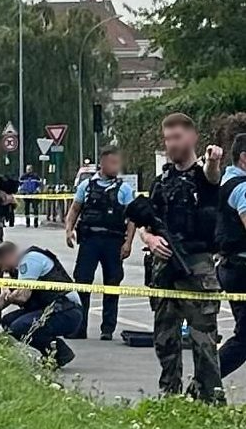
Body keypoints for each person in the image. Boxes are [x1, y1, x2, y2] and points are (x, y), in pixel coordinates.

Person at [141, 112, 224, 403]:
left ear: (192, 137)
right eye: (167, 139)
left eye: (177, 138)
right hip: (164, 269)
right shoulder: (161, 182)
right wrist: (151, 240)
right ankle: (170, 398)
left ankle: (210, 400)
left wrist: (214, 159)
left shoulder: (204, 176)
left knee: (204, 342)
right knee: (165, 339)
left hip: (197, 266)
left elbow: (213, 176)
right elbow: (145, 225)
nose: (171, 144)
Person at [0, 241, 82, 367]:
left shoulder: (30, 260)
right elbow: (2, 300)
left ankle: (59, 353)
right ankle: (53, 353)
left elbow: (23, 297)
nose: (3, 270)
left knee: (20, 326)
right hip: (54, 310)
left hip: (68, 312)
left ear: (8, 257)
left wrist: (11, 296)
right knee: (8, 321)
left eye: (1, 265)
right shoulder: (19, 272)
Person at [64, 146, 136, 340]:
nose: (116, 167)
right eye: (112, 163)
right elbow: (74, 210)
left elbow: (132, 220)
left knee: (112, 284)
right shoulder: (86, 186)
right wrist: (68, 230)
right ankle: (80, 327)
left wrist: (128, 243)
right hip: (89, 241)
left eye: (117, 163)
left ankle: (107, 329)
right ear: (102, 164)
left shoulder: (124, 189)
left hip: (113, 242)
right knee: (83, 283)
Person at [216, 133, 246, 379]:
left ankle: (204, 382)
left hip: (230, 266)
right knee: (245, 338)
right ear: (244, 158)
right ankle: (205, 382)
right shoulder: (243, 188)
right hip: (242, 267)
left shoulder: (225, 180)